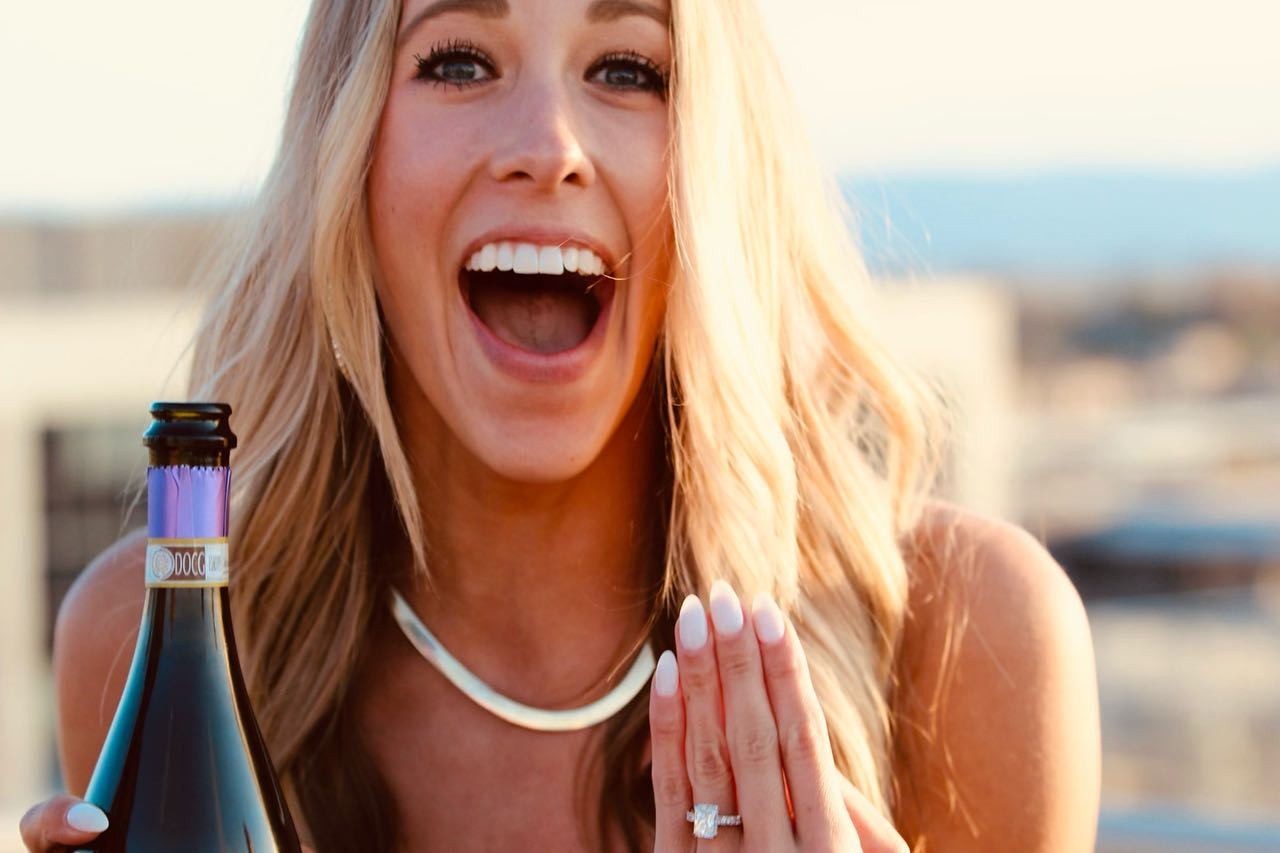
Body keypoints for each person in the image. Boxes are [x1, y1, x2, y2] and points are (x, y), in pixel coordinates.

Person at [20, 0, 1101, 850]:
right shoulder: (149, 637)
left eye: (627, 69)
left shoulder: (968, 640)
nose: (548, 145)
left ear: (717, 163)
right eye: (457, 60)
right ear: (345, 153)